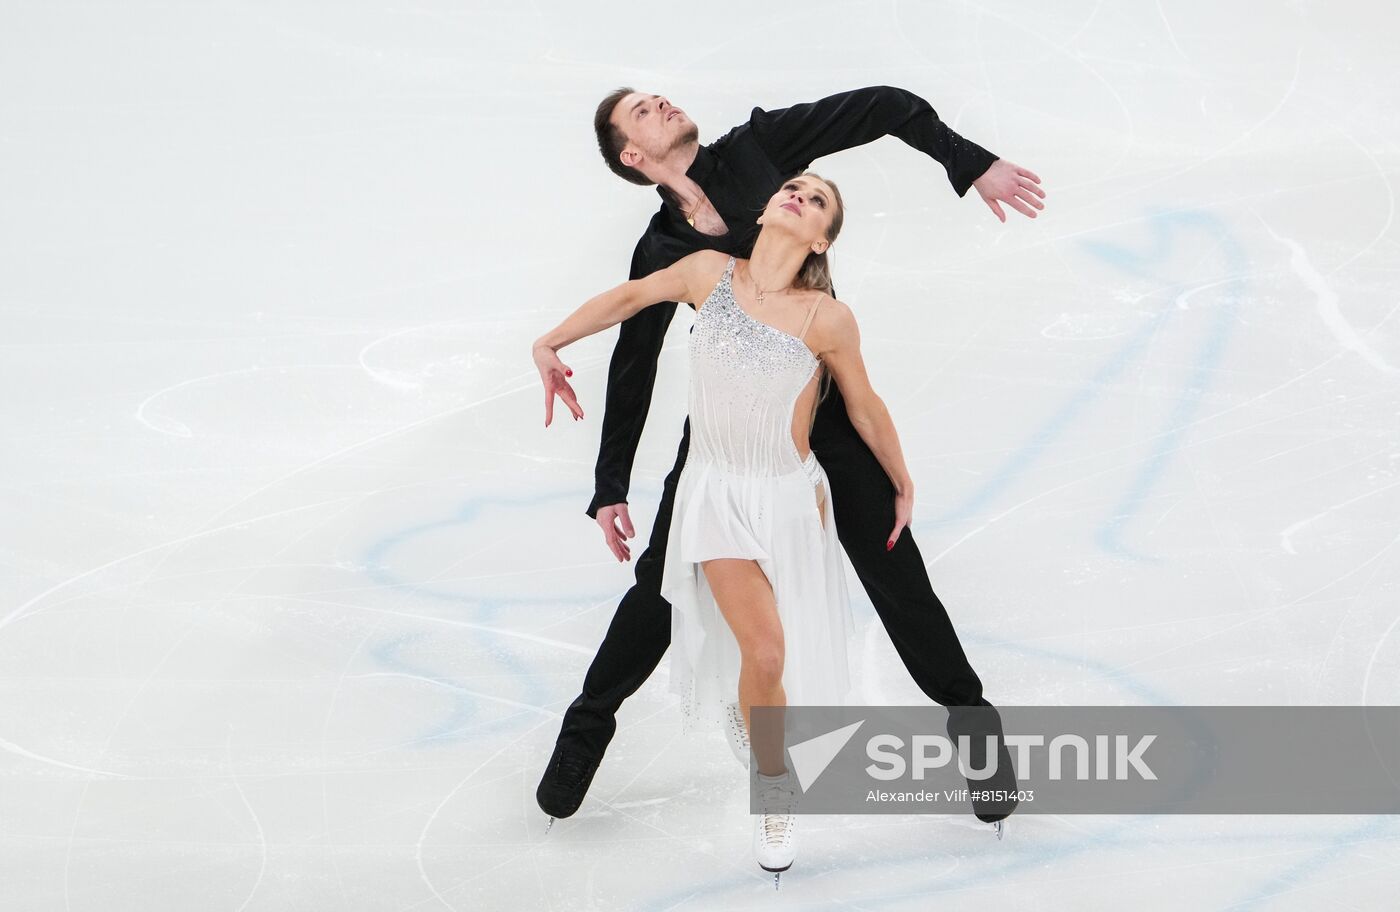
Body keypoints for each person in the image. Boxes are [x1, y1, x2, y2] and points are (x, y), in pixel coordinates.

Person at [538, 85, 1045, 834]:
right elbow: (632, 361)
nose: (665, 103)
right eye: (643, 111)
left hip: (823, 416)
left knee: (894, 570)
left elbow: (884, 106)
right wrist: (610, 483)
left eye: (659, 97)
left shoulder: (758, 153)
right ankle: (585, 731)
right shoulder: (666, 252)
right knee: (658, 589)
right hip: (723, 437)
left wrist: (967, 163)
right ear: (633, 157)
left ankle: (973, 728)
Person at [534, 171, 899, 878]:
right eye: (793, 186)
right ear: (765, 209)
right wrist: (551, 341)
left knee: (770, 658)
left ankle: (748, 713)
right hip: (717, 495)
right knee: (764, 654)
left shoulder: (828, 318)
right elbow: (631, 297)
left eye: (817, 199)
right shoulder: (709, 274)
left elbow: (864, 406)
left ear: (820, 237)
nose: (799, 195)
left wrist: (902, 481)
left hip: (791, 503)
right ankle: (773, 792)